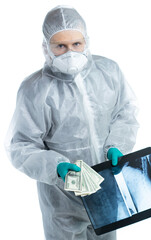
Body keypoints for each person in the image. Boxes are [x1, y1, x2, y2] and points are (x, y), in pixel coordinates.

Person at [5, 5, 139, 240]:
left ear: (86, 40)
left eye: (76, 44)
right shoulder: (34, 90)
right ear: (47, 48)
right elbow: (21, 145)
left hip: (105, 189)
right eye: (61, 46)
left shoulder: (109, 72)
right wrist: (55, 166)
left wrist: (117, 145)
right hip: (62, 201)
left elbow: (125, 113)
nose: (70, 52)